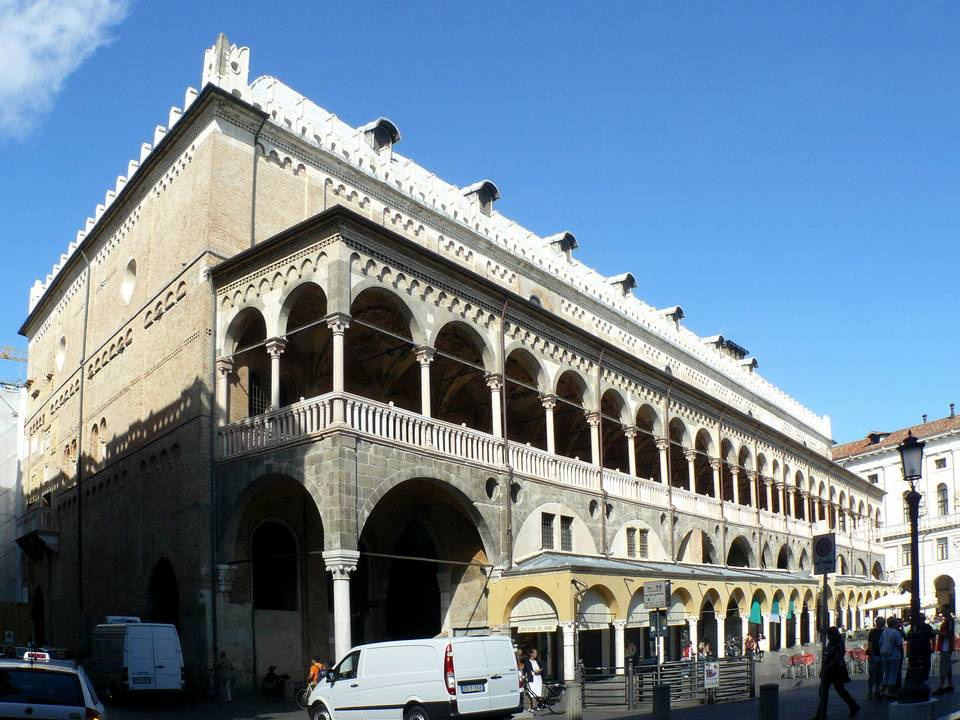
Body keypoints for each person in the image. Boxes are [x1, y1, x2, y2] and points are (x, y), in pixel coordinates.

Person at [812, 626, 860, 720]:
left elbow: (835, 659)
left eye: (829, 635)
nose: (828, 637)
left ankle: (822, 714)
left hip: (835, 670)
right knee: (825, 692)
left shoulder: (839, 643)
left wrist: (825, 668)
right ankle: (821, 714)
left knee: (833, 691)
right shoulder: (831, 643)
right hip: (831, 670)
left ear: (833, 635)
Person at [880, 616, 904, 700]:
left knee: (886, 674)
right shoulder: (896, 632)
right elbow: (899, 644)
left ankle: (881, 691)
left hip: (885, 656)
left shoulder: (884, 632)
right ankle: (889, 693)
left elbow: (880, 643)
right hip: (894, 655)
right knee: (893, 675)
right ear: (894, 623)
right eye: (897, 622)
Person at [934, 607, 955, 695]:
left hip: (946, 646)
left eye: (944, 610)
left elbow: (949, 633)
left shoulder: (949, 621)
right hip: (946, 646)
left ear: (948, 610)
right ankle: (950, 684)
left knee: (943, 666)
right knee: (948, 666)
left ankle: (941, 686)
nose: (942, 612)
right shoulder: (948, 620)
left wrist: (938, 632)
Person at [866, 616, 885, 700]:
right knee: (872, 674)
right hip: (874, 655)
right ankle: (870, 691)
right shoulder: (872, 632)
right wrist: (872, 654)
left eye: (882, 621)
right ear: (876, 622)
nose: (881, 623)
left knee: (880, 674)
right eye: (880, 621)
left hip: (882, 655)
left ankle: (877, 689)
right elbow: (870, 644)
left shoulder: (885, 632)